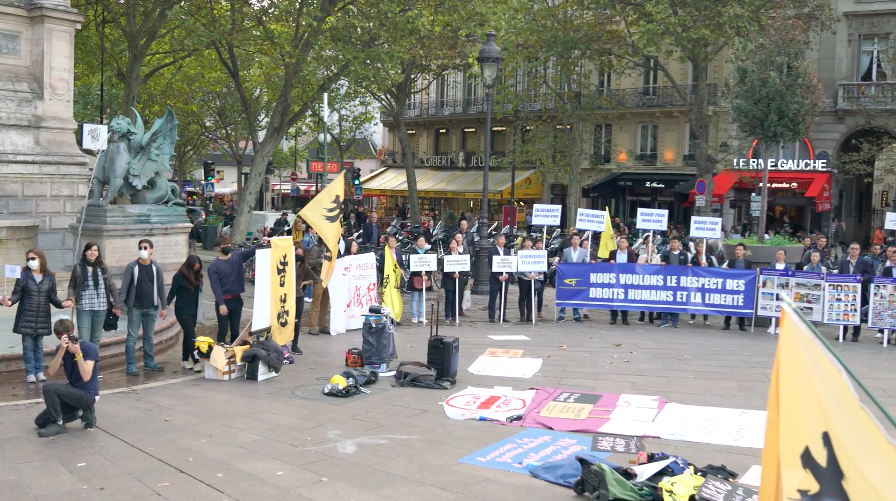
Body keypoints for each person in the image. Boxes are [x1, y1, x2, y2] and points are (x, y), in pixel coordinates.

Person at [1, 249, 70, 382]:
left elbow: (53, 297)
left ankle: (39, 371)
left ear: (40, 259)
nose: (30, 261)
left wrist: (63, 304)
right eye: (28, 259)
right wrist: (9, 302)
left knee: (38, 345)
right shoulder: (23, 275)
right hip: (26, 316)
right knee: (27, 346)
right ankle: (30, 373)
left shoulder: (50, 277)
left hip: (42, 316)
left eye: (33, 258)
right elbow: (17, 294)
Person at [33, 318, 100, 437]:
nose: (65, 340)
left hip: (87, 395)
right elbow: (51, 372)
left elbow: (86, 376)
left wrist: (78, 353)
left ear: (73, 332)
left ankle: (59, 423)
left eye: (67, 336)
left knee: (49, 386)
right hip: (72, 393)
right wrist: (61, 350)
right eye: (60, 338)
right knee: (41, 421)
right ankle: (81, 412)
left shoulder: (89, 348)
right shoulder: (60, 349)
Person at [118, 239, 167, 375]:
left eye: (145, 248)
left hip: (151, 307)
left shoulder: (156, 267)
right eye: (140, 248)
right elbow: (124, 288)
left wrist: (164, 306)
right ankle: (131, 365)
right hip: (135, 308)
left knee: (149, 337)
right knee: (132, 338)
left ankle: (149, 362)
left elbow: (161, 287)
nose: (143, 250)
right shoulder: (132, 267)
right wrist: (118, 305)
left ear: (151, 250)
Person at [207, 234, 267, 345]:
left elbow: (251, 251)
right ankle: (220, 352)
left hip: (237, 300)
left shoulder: (237, 256)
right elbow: (215, 286)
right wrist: (221, 303)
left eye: (229, 244)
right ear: (218, 248)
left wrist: (261, 243)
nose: (228, 247)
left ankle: (234, 352)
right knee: (223, 330)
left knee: (235, 330)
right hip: (224, 301)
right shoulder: (214, 266)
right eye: (225, 245)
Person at [65, 242, 122, 348]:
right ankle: (84, 363)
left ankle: (93, 363)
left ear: (98, 253)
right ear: (85, 252)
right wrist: (70, 299)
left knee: (95, 339)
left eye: (95, 250)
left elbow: (112, 286)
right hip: (84, 308)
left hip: (101, 308)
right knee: (84, 340)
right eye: (90, 250)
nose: (93, 252)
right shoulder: (78, 267)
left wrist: (117, 304)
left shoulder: (103, 267)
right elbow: (71, 286)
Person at [166, 255, 204, 373]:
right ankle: (196, 361)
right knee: (191, 335)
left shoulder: (198, 276)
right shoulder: (179, 277)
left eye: (198, 268)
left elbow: (197, 295)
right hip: (182, 310)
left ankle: (184, 359)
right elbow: (172, 292)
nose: (196, 270)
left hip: (193, 309)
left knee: (188, 335)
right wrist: (164, 306)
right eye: (194, 268)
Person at [837, 242, 874, 342]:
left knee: (856, 313)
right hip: (844, 291)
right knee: (844, 311)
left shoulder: (864, 262)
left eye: (856, 249)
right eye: (852, 248)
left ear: (859, 251)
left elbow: (871, 274)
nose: (854, 250)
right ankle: (842, 332)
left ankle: (855, 334)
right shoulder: (843, 262)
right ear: (849, 249)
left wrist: (862, 279)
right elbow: (839, 275)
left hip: (858, 291)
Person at [658, 236, 689, 328]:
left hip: (679, 281)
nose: (673, 244)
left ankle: (675, 321)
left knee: (677, 301)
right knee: (666, 300)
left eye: (675, 242)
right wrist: (662, 264)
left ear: (679, 243)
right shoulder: (666, 253)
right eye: (671, 242)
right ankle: (665, 319)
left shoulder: (684, 254)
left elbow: (686, 265)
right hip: (667, 280)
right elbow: (661, 262)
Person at [557, 233, 588, 323]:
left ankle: (576, 315)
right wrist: (559, 265)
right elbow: (563, 262)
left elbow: (584, 263)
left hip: (578, 278)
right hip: (567, 277)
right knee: (564, 295)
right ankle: (562, 314)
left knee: (576, 296)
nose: (575, 241)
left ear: (579, 240)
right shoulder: (566, 251)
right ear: (571, 240)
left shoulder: (582, 251)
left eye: (577, 239)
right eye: (574, 239)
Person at [721, 243, 752, 332]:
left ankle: (741, 325)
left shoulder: (748, 262)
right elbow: (723, 271)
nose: (738, 251)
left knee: (741, 305)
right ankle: (726, 324)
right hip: (732, 287)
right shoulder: (730, 262)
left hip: (743, 287)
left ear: (744, 251)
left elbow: (750, 274)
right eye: (737, 250)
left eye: (740, 250)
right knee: (730, 305)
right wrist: (725, 269)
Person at [291, 243, 315, 355]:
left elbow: (315, 280)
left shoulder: (304, 267)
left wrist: (304, 282)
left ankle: (294, 345)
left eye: (301, 254)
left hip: (298, 296)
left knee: (297, 321)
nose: (299, 255)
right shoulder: (288, 264)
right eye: (297, 253)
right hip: (287, 296)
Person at [607, 235, 636, 325]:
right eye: (620, 242)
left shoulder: (631, 253)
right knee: (613, 298)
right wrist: (610, 262)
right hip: (615, 278)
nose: (621, 244)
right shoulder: (613, 253)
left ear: (627, 244)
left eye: (623, 242)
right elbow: (606, 261)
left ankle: (624, 318)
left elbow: (633, 265)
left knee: (625, 298)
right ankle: (613, 318)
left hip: (626, 279)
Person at [307, 237, 333, 334]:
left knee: (325, 304)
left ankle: (322, 325)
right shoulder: (316, 248)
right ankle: (312, 326)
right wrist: (320, 261)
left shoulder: (330, 249)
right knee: (316, 304)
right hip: (318, 278)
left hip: (327, 278)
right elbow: (309, 262)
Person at [688, 240, 716, 326]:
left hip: (705, 282)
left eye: (702, 247)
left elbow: (714, 269)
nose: (700, 248)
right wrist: (690, 265)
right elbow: (690, 265)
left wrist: (707, 266)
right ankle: (692, 318)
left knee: (704, 300)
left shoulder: (708, 257)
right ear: (696, 247)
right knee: (695, 299)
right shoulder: (694, 257)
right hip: (696, 281)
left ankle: (706, 319)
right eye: (699, 247)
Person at [442, 239, 468, 324]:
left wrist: (459, 274)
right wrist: (452, 274)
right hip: (449, 281)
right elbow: (443, 268)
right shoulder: (447, 256)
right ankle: (447, 316)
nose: (453, 245)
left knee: (456, 299)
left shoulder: (461, 256)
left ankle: (454, 315)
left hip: (458, 280)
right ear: (449, 245)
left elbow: (465, 268)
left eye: (454, 243)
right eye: (451, 244)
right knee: (449, 299)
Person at [488, 234, 511, 323]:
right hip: (495, 278)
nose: (502, 241)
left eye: (503, 239)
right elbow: (491, 265)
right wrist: (498, 276)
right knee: (493, 297)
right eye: (501, 239)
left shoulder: (507, 251)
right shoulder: (492, 251)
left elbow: (509, 264)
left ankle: (503, 315)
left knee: (504, 298)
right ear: (496, 241)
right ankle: (491, 316)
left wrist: (508, 274)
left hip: (505, 278)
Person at [407, 235, 430, 324]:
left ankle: (421, 316)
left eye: (423, 241)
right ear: (416, 242)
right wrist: (420, 273)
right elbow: (410, 266)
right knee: (414, 298)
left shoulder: (426, 253)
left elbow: (430, 266)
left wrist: (427, 275)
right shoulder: (412, 252)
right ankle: (414, 316)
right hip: (415, 278)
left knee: (422, 299)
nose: (421, 243)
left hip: (424, 279)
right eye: (419, 241)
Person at [515, 237, 538, 323]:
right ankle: (522, 315)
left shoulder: (535, 252)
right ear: (523, 243)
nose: (529, 244)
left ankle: (529, 315)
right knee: (522, 296)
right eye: (527, 242)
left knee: (531, 297)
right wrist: (528, 274)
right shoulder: (520, 253)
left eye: (530, 242)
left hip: (533, 277)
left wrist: (535, 274)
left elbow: (539, 264)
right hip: (523, 277)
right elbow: (519, 265)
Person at [534, 239, 547, 319]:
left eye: (540, 243)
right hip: (534, 277)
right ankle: (530, 310)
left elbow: (547, 264)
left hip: (542, 278)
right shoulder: (532, 253)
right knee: (532, 295)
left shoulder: (545, 253)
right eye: (537, 243)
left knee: (540, 295)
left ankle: (539, 311)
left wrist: (544, 270)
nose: (539, 245)